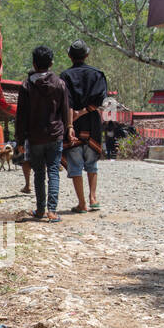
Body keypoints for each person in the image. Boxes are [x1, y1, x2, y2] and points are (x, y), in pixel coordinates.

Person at [14, 46, 72, 222]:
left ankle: (40, 210)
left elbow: (21, 115)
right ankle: (52, 211)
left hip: (35, 136)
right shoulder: (60, 83)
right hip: (55, 135)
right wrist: (68, 129)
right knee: (53, 171)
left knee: (39, 172)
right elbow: (65, 109)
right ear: (51, 63)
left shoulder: (26, 86)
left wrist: (20, 139)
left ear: (34, 63)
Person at [60, 40, 109, 212]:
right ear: (86, 55)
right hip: (93, 123)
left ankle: (82, 203)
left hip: (72, 122)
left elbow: (67, 102)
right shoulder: (97, 74)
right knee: (91, 162)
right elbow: (100, 100)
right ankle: (93, 198)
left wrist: (70, 124)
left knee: (75, 163)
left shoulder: (65, 76)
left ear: (69, 56)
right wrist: (84, 112)